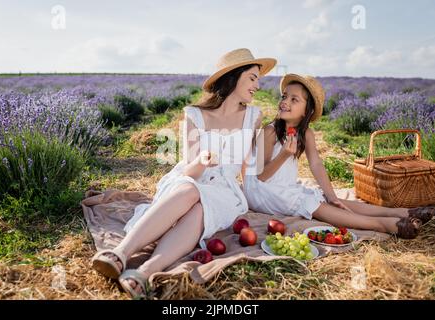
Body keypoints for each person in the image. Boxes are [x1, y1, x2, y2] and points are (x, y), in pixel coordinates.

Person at [91, 48, 276, 297]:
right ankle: (120, 254)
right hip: (192, 179)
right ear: (234, 77)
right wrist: (201, 160)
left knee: (202, 209)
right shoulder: (195, 115)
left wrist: (260, 197)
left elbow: (247, 167)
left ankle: (144, 273)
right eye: (253, 77)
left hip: (224, 191)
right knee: (191, 189)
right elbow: (190, 169)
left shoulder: (253, 117)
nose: (258, 84)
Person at [243, 73, 434, 240]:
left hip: (282, 185)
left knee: (331, 201)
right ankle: (384, 225)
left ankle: (403, 212)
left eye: (294, 99)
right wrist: (284, 155)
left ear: (306, 111)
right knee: (313, 204)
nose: (284, 102)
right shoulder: (269, 132)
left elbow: (316, 164)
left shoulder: (306, 133)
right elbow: (260, 176)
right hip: (261, 190)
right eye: (285, 96)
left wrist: (333, 196)